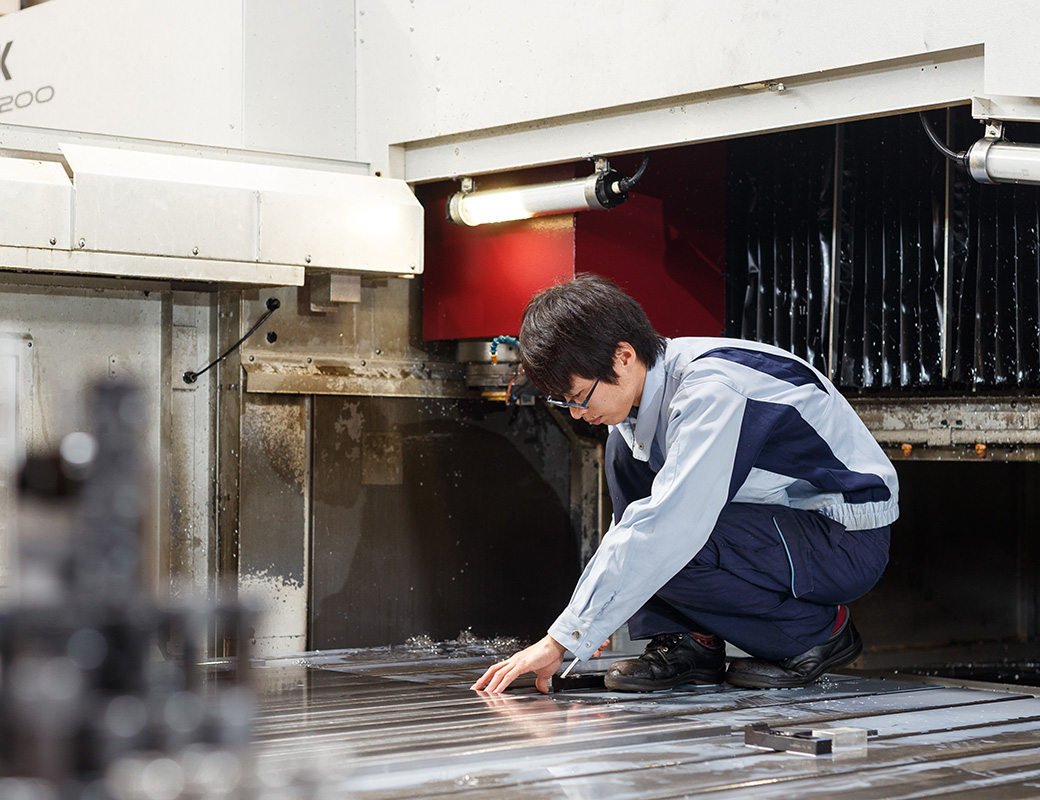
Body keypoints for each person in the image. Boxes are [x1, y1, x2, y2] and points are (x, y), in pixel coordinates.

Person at [472, 274, 897, 694]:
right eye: (565, 403)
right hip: (778, 520)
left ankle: (816, 634)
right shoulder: (639, 403)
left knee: (675, 542)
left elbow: (669, 528)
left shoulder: (711, 392)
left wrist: (563, 639)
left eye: (580, 396)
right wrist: (590, 617)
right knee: (626, 455)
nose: (578, 414)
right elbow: (639, 528)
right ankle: (689, 642)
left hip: (844, 539)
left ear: (623, 356)